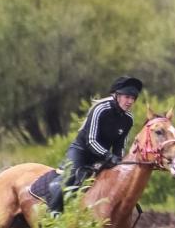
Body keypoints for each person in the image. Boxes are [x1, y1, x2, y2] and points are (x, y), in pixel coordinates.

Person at [48, 76, 143, 214]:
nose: (130, 101)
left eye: (133, 98)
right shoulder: (101, 108)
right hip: (81, 151)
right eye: (127, 97)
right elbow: (91, 141)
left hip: (102, 157)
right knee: (71, 175)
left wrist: (119, 161)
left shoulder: (128, 119)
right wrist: (109, 156)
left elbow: (120, 146)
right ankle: (52, 213)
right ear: (116, 95)